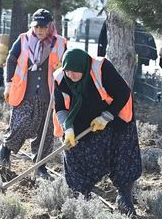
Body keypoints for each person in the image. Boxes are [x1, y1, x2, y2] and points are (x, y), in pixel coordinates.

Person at [53, 48, 141, 215]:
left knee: (122, 154)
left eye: (74, 72)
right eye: (67, 71)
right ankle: (80, 198)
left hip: (114, 116)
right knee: (75, 153)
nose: (70, 75)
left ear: (84, 69)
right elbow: (60, 107)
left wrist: (106, 117)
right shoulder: (60, 78)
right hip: (79, 119)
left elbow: (123, 93)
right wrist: (68, 128)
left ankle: (124, 196)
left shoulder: (102, 68)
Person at [0, 8, 67, 179]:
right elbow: (11, 60)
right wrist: (8, 83)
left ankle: (40, 165)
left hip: (49, 94)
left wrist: (62, 71)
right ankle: (6, 149)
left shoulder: (60, 43)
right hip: (24, 92)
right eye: (37, 27)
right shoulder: (23, 40)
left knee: (46, 131)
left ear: (50, 26)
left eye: (43, 27)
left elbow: (67, 64)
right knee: (20, 125)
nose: (39, 31)